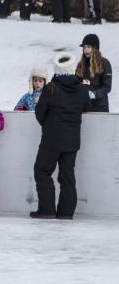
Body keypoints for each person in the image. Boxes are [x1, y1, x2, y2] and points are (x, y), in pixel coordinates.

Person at [31, 53, 91, 220]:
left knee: (42, 171)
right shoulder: (81, 89)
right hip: (72, 141)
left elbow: (39, 112)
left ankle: (47, 210)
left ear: (57, 69)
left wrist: (48, 126)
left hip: (51, 139)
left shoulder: (51, 88)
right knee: (67, 175)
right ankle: (66, 213)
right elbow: (87, 106)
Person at [76, 33, 111, 112]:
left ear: (95, 48)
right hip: (84, 106)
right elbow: (76, 82)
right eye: (84, 47)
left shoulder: (104, 63)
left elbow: (107, 87)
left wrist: (94, 94)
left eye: (88, 47)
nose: (86, 50)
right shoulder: (81, 64)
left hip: (100, 107)